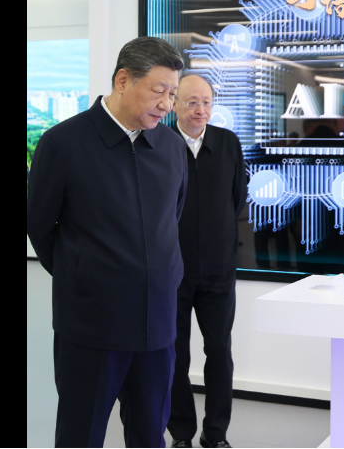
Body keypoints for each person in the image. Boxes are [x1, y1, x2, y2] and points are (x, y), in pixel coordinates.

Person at [27, 36, 188, 448]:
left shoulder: (171, 147)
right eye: (158, 91)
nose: (167, 104)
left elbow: (172, 220)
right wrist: (84, 272)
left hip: (157, 325)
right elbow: (41, 227)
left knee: (150, 435)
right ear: (122, 80)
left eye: (172, 94)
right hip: (91, 324)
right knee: (81, 436)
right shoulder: (63, 143)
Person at [167, 74, 246, 449]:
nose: (201, 110)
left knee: (219, 353)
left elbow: (237, 199)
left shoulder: (228, 143)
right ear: (174, 104)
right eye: (192, 102)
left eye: (207, 103)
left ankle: (215, 435)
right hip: (172, 273)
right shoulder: (159, 142)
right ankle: (181, 433)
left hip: (218, 271)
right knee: (174, 355)